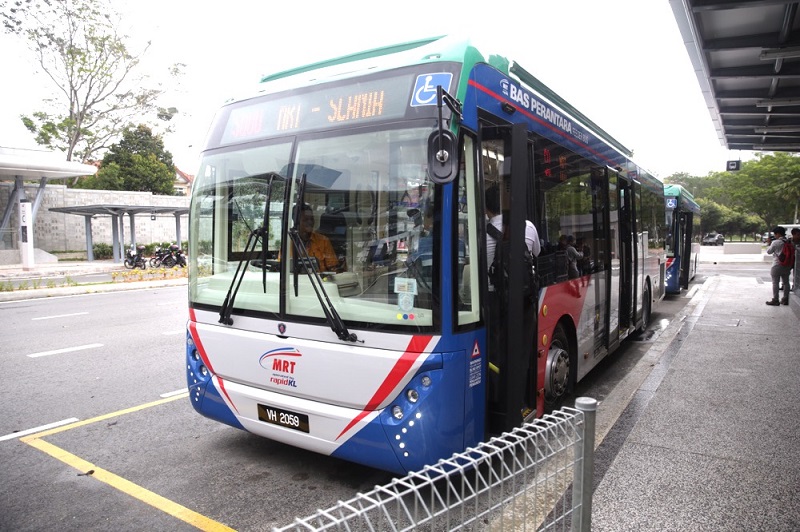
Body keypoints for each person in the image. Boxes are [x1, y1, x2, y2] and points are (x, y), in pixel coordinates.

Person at [293, 203, 341, 272]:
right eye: (305, 220)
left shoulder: (324, 241)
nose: (310, 222)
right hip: (295, 282)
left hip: (318, 282)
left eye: (311, 219)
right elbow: (280, 269)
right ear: (296, 222)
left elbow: (333, 269)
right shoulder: (288, 243)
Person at [765, 226, 791, 306]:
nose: (775, 235)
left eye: (775, 234)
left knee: (775, 282)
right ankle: (785, 299)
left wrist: (769, 243)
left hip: (777, 264)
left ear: (778, 234)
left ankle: (775, 300)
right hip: (787, 264)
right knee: (786, 282)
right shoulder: (788, 241)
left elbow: (769, 251)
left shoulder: (775, 242)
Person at [792, 227, 800, 293]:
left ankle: (795, 286)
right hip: (790, 260)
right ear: (793, 234)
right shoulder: (789, 241)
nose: (799, 236)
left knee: (796, 273)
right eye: (797, 235)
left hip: (797, 261)